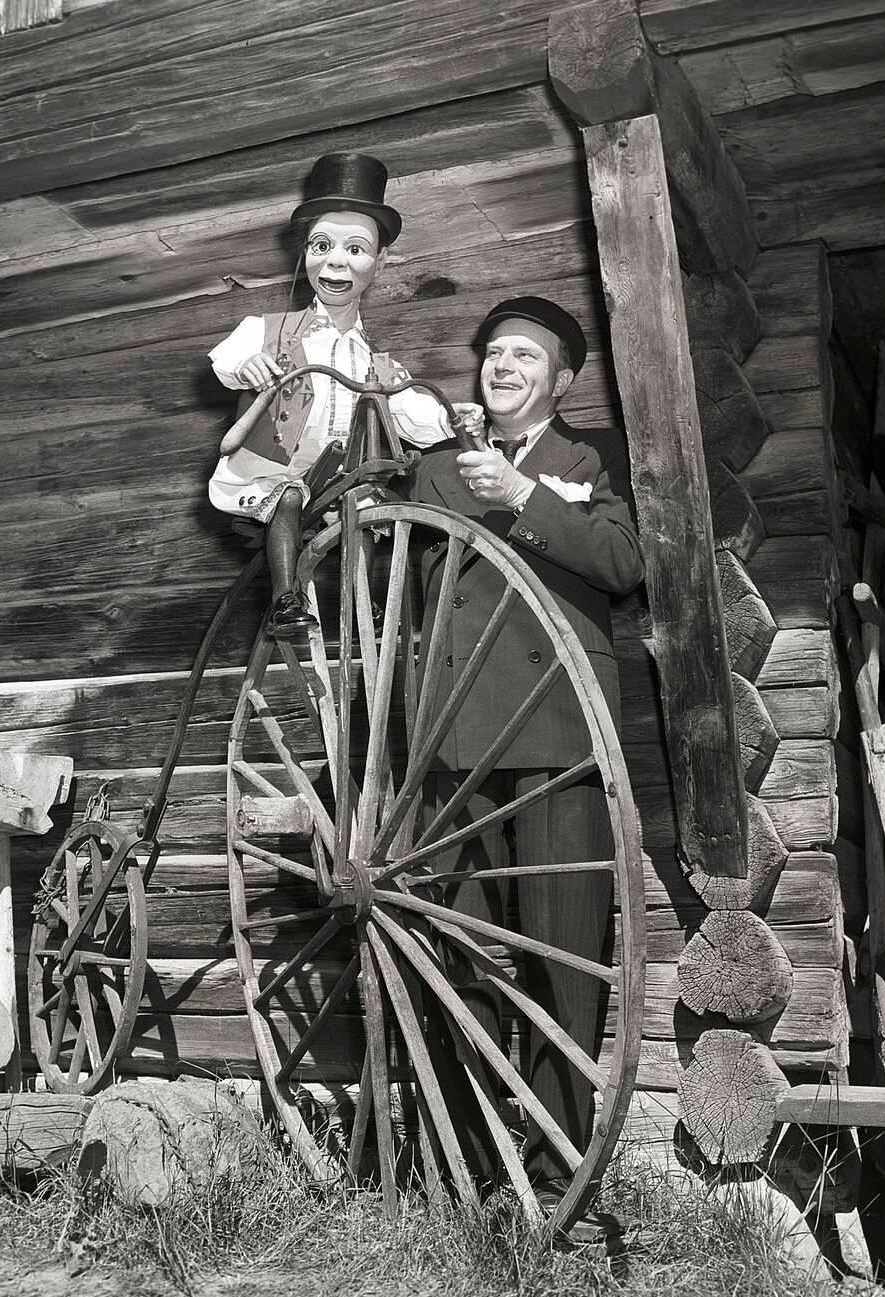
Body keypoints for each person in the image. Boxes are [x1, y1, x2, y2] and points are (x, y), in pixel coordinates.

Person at [409, 296, 644, 1209]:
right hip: (457, 741)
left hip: (558, 734)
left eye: (525, 356)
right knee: (455, 945)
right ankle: (463, 1160)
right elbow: (408, 585)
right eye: (495, 353)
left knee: (560, 951)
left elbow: (626, 564)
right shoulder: (436, 468)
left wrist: (528, 500)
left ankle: (554, 1172)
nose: (504, 367)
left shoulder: (593, 461)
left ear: (563, 378)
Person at [207, 152, 473, 637]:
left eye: (356, 249)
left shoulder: (377, 362)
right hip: (267, 472)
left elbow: (417, 413)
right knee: (288, 497)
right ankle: (286, 600)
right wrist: (248, 367)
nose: (335, 262)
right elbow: (226, 363)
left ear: (380, 260)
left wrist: (456, 418)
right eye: (321, 245)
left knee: (365, 505)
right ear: (304, 254)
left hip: (336, 478)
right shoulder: (265, 331)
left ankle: (362, 603)